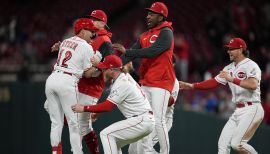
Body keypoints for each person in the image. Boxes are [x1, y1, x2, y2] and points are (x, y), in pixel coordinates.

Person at [179, 38, 264, 154]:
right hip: (238, 110)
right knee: (223, 144)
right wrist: (192, 86)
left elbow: (253, 84)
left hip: (252, 108)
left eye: (232, 49)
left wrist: (232, 79)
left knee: (237, 144)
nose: (228, 51)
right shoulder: (229, 68)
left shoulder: (251, 65)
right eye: (228, 49)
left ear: (240, 49)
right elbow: (214, 82)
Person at [113, 2, 175, 153]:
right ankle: (147, 151)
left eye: (152, 14)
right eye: (148, 13)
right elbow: (128, 56)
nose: (148, 16)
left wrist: (127, 52)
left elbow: (153, 51)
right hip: (146, 81)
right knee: (146, 118)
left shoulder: (166, 31)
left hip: (162, 82)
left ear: (161, 16)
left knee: (159, 120)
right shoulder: (144, 35)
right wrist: (112, 67)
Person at [49, 10, 114, 154]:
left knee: (80, 125)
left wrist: (99, 68)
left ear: (103, 23)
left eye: (94, 19)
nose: (91, 20)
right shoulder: (89, 35)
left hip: (91, 87)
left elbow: (111, 66)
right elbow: (79, 51)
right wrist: (63, 46)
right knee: (75, 123)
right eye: (90, 18)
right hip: (77, 83)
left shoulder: (105, 41)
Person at [71, 55, 155, 154]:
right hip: (143, 120)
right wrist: (98, 113)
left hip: (142, 120)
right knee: (115, 143)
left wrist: (84, 108)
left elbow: (108, 106)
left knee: (106, 134)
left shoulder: (122, 83)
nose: (103, 71)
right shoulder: (122, 77)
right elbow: (112, 101)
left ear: (111, 70)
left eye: (105, 68)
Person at [45, 18, 98, 154]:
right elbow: (88, 74)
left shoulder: (66, 41)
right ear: (82, 30)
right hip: (67, 81)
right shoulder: (87, 47)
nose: (93, 34)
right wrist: (99, 66)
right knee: (75, 124)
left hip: (52, 79)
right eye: (91, 31)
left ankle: (56, 152)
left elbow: (67, 51)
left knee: (56, 123)